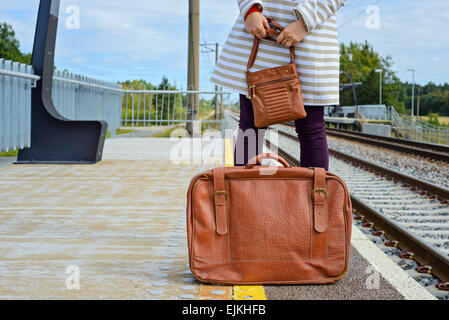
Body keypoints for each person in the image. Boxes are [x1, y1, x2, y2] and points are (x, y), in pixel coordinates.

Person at [210, 0, 347, 171]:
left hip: (309, 34)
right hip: (260, 28)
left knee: (310, 127)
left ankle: (315, 197)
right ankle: (244, 196)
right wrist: (250, 9)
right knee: (252, 125)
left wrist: (306, 21)